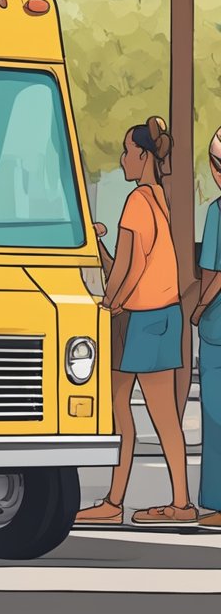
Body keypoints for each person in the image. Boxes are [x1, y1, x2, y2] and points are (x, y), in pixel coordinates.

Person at [76, 116, 196, 526]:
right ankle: (178, 501)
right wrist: (101, 249)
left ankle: (115, 502)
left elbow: (127, 270)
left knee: (119, 410)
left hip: (137, 320)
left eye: (127, 152)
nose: (123, 159)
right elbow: (130, 267)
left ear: (143, 155)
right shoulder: (158, 199)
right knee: (162, 416)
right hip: (163, 315)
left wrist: (106, 307)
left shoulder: (136, 203)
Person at [191, 128, 221, 530]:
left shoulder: (217, 212)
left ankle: (217, 502)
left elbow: (213, 273)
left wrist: (198, 309)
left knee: (215, 419)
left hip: (218, 329)